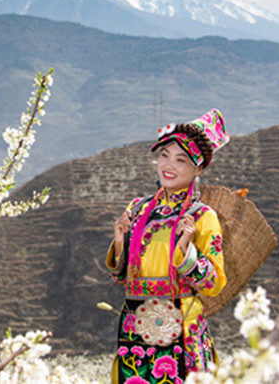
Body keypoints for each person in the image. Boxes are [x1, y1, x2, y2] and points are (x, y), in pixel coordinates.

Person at [106, 109, 229, 383]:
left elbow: (215, 284)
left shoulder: (202, 217)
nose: (168, 165)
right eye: (164, 155)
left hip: (182, 325)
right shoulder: (136, 209)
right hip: (136, 325)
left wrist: (188, 253)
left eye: (181, 160)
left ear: (198, 168)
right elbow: (121, 277)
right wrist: (118, 243)